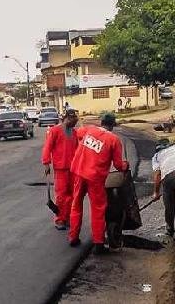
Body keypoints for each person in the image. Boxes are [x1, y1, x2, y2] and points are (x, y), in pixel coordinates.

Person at [68, 113, 128, 254]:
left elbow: (78, 133)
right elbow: (119, 165)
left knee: (76, 205)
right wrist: (126, 165)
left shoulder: (89, 129)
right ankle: (98, 244)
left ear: (101, 122)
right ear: (112, 125)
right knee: (98, 209)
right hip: (95, 178)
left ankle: (73, 237)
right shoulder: (113, 139)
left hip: (78, 171)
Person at [42, 109, 80, 230]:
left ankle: (68, 217)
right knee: (61, 195)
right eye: (73, 121)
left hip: (73, 169)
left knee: (73, 195)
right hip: (61, 169)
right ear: (67, 119)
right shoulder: (55, 131)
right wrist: (46, 163)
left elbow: (78, 149)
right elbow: (47, 147)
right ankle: (60, 219)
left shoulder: (74, 132)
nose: (75, 124)